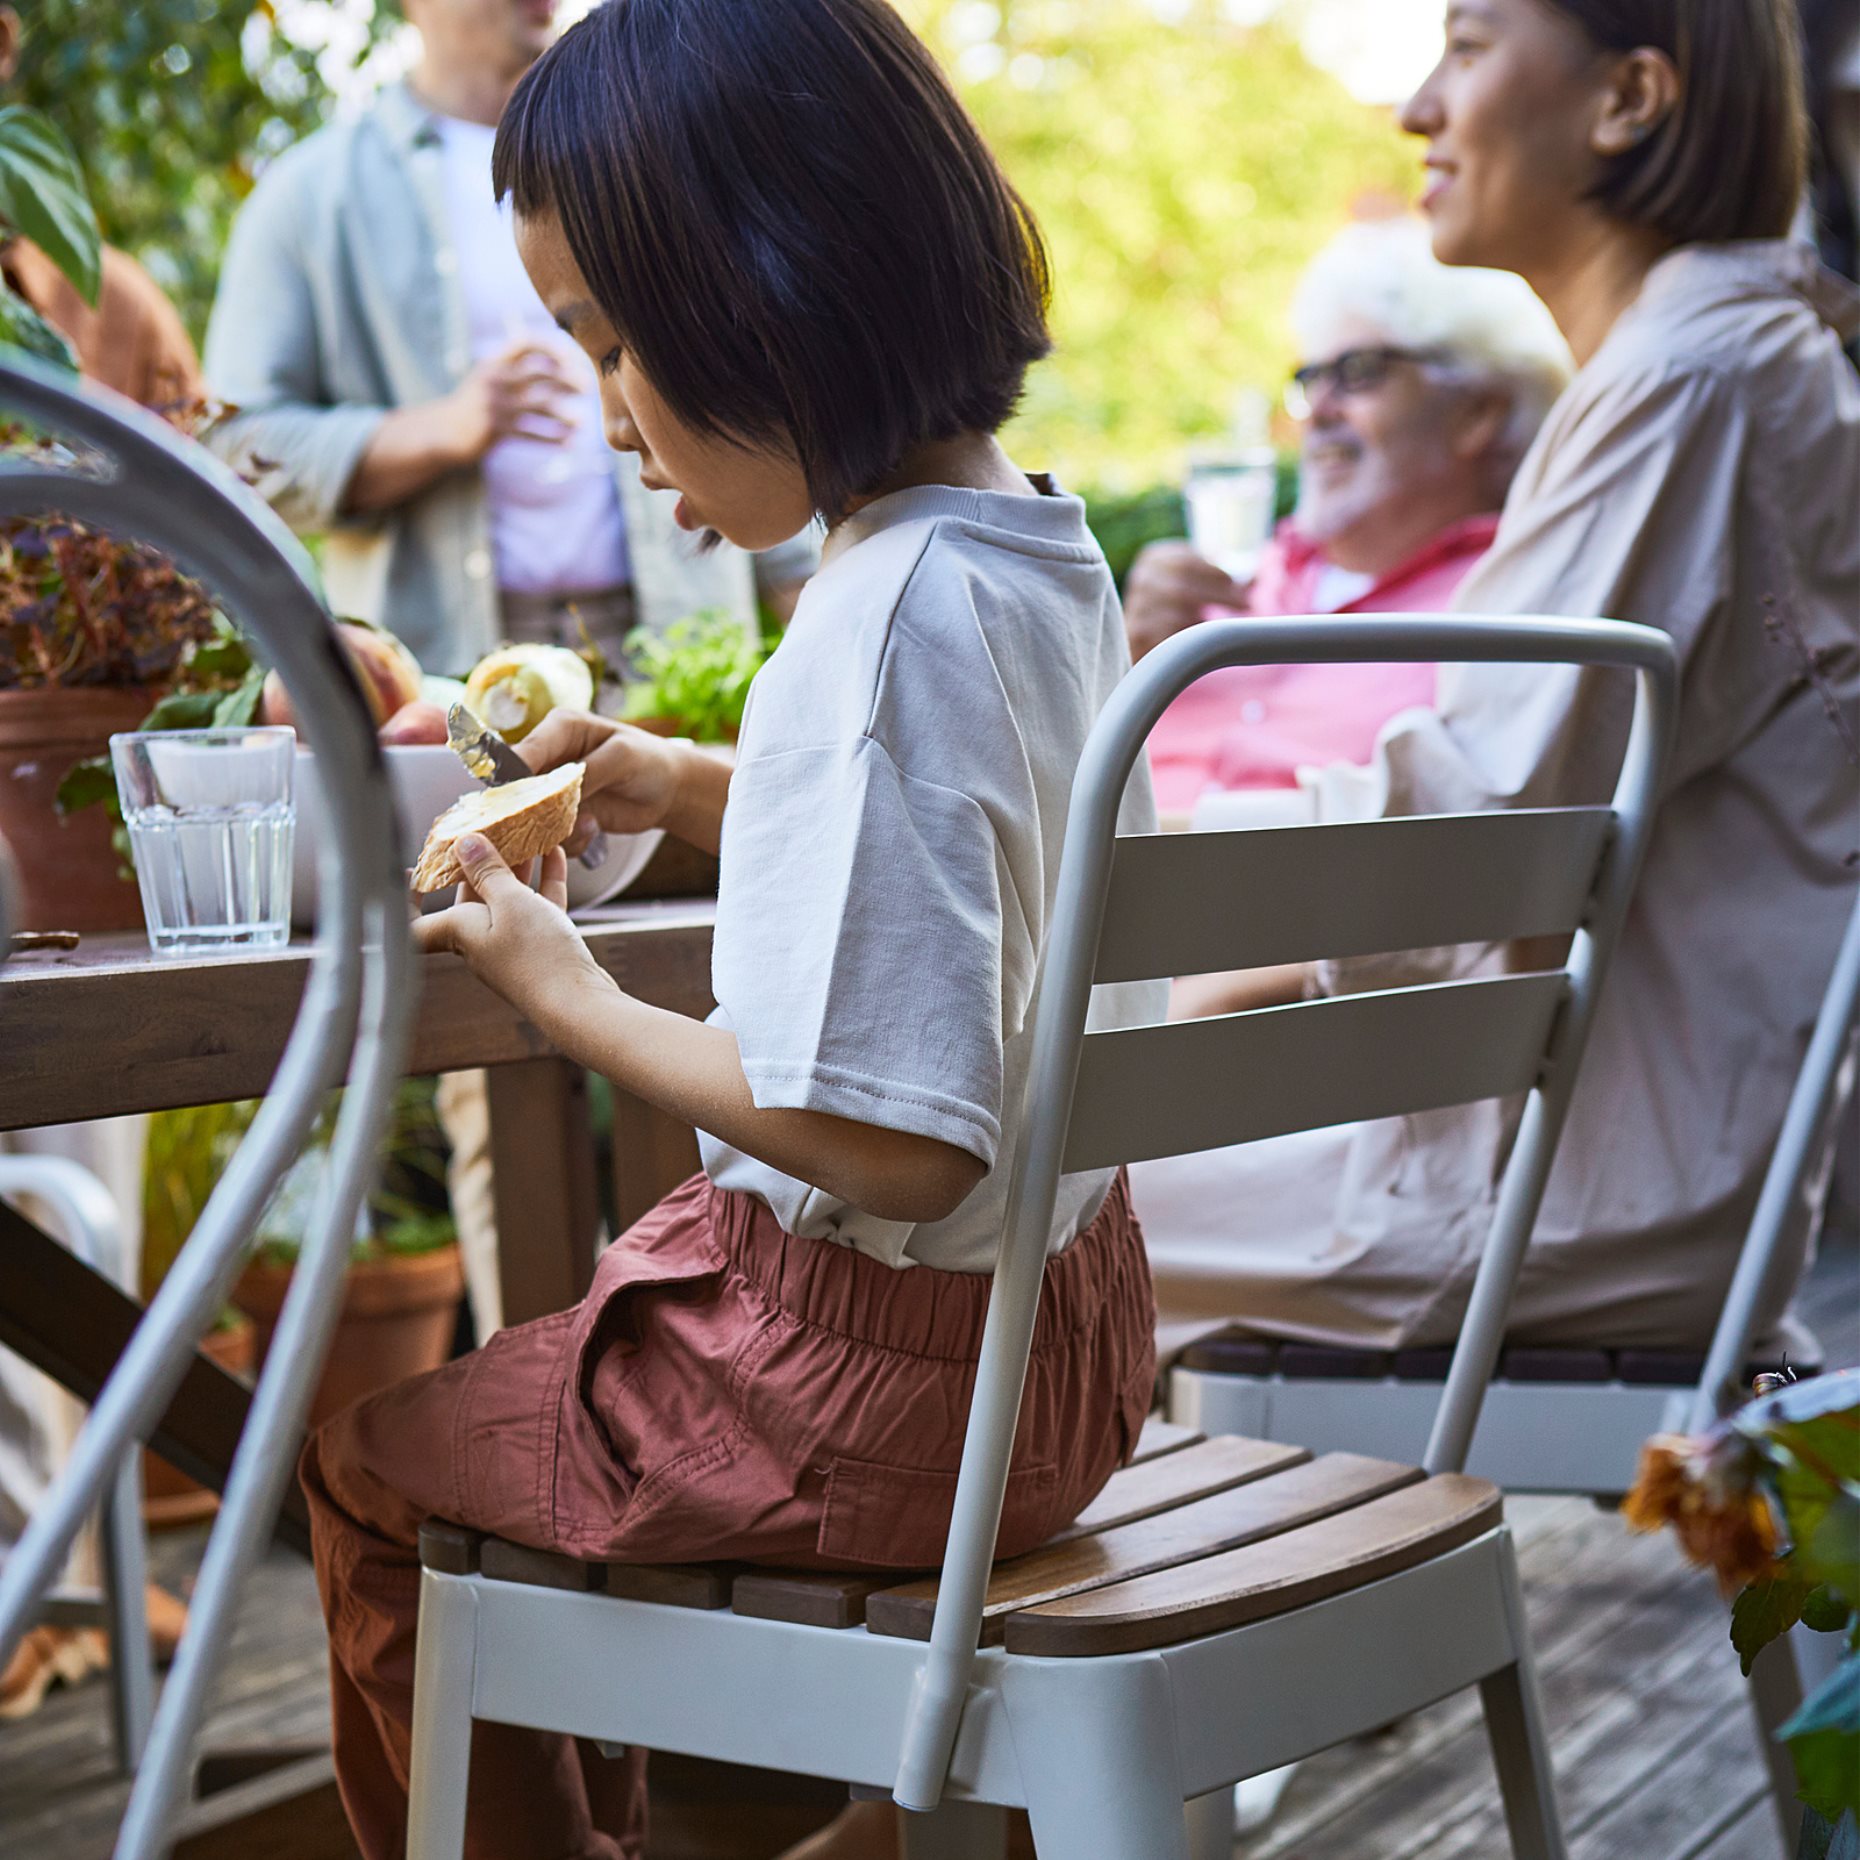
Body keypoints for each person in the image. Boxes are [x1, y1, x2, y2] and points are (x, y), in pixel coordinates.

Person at [295, 2, 1163, 1854]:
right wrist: (687, 783)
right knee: (548, 1432)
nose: (606, 415)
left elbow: (892, 1140)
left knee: (375, 1479)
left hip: (879, 1398)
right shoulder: (1021, 551)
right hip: (1062, 1354)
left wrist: (572, 991)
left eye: (615, 345)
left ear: (776, 290)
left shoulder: (878, 628)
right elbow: (965, 833)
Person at [1137, 0, 1860, 1365]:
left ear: (1627, 100)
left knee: (908, 1182)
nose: (1418, 108)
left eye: (1467, 48)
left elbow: (1465, 844)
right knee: (942, 1156)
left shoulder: (1688, 383)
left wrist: (1084, 876)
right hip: (1575, 1160)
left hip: (1548, 1195)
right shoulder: (1714, 368)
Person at [201, 0, 811, 680]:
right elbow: (233, 446)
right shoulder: (307, 197)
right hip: (445, 688)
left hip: (674, 661)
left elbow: (749, 384)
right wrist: (439, 432)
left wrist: (819, 600)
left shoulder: (652, 155)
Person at [0, 0, 196, 1720]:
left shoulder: (87, 278)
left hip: (68, 799)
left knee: (85, 1169)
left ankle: (70, 1572)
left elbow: (208, 531)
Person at [1125, 216, 1568, 814]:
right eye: (1312, 378)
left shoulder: (1515, 606)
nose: (1320, 410)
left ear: (1478, 413)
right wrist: (1121, 651)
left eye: (1359, 373)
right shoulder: (1238, 580)